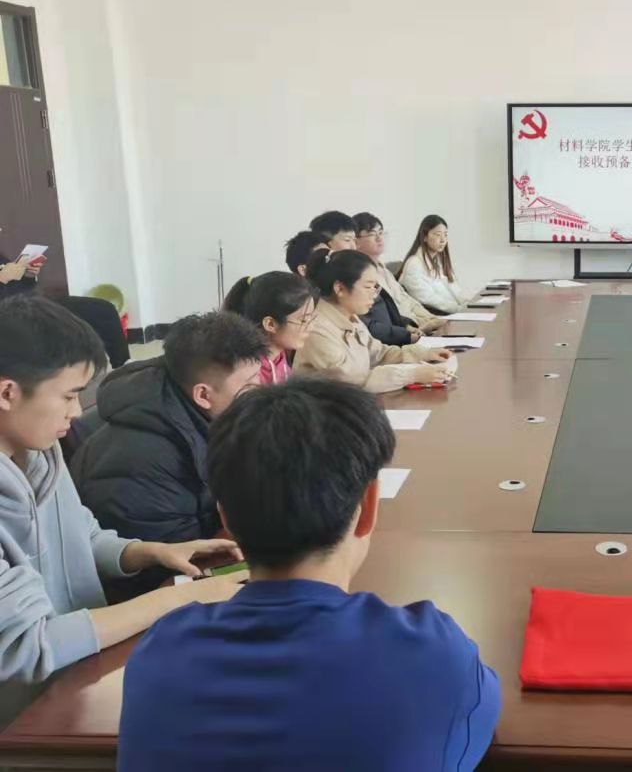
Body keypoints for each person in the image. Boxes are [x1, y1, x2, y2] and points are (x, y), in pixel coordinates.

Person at [118, 378, 501, 771]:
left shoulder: (159, 654)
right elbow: (478, 716)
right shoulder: (432, 656)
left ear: (225, 517)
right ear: (369, 506)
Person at [0, 296, 245, 728]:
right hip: (24, 723)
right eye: (69, 395)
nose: (77, 412)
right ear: (7, 392)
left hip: (81, 674)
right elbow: (28, 645)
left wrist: (150, 552)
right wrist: (174, 599)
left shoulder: (39, 453)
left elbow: (84, 536)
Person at [72, 312, 266, 597]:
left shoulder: (205, 416)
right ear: (203, 395)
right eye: (248, 386)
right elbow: (175, 568)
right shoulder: (140, 464)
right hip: (142, 597)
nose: (259, 392)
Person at [295, 249, 455, 392]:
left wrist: (424, 354)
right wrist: (412, 374)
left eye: (376, 287)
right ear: (340, 288)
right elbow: (350, 381)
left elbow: (379, 354)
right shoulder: (316, 328)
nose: (374, 294)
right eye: (368, 287)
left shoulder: (352, 319)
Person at [1, 226, 130, 369]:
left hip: (32, 301)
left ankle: (123, 367)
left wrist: (28, 274)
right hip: (12, 311)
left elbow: (19, 284)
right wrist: (2, 277)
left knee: (103, 309)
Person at [353, 210, 444, 338]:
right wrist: (416, 328)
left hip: (419, 326)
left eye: (381, 233)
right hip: (404, 333)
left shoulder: (383, 269)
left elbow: (406, 299)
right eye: (372, 234)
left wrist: (431, 318)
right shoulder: (361, 275)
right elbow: (386, 315)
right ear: (355, 241)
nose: (379, 238)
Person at [223, 272, 318, 385]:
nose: (311, 327)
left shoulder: (280, 359)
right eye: (303, 320)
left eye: (311, 318)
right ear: (270, 324)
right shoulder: (247, 373)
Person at [398, 215, 473, 315]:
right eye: (438, 234)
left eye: (445, 235)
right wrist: (459, 309)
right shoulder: (413, 264)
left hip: (451, 312)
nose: (443, 240)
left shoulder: (439, 261)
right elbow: (428, 299)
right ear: (424, 237)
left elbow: (455, 290)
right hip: (435, 316)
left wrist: (468, 304)